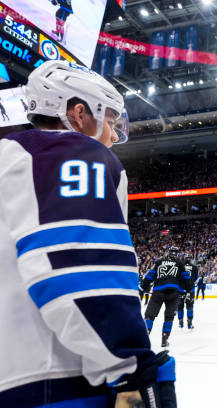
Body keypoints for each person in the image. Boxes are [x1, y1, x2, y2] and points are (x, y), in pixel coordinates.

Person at [0, 60, 176, 407]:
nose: (113, 135)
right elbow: (78, 272)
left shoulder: (11, 155)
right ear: (78, 114)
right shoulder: (70, 152)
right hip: (53, 385)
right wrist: (133, 367)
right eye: (110, 121)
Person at [142, 246, 192, 347]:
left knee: (149, 315)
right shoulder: (180, 263)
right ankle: (164, 339)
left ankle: (146, 332)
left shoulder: (158, 262)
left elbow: (149, 276)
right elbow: (186, 279)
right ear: (177, 253)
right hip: (173, 292)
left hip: (158, 291)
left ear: (169, 253)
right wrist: (188, 290)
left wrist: (144, 286)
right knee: (169, 317)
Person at [177, 256, 198, 329]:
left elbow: (177, 278)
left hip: (180, 290)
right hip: (190, 289)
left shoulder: (180, 266)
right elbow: (195, 278)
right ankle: (189, 324)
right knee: (190, 307)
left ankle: (180, 323)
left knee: (180, 307)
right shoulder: (194, 267)